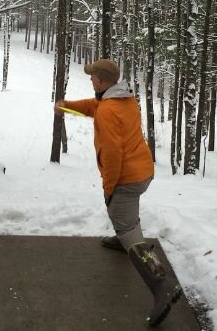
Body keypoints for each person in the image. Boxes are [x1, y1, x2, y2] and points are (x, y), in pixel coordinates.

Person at [54, 58, 182, 327]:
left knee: (124, 223)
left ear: (101, 81)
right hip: (142, 171)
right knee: (123, 215)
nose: (90, 80)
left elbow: (112, 155)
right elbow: (92, 107)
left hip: (127, 177)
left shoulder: (108, 110)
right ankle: (123, 234)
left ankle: (161, 283)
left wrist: (109, 187)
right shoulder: (121, 99)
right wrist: (66, 107)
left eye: (92, 78)